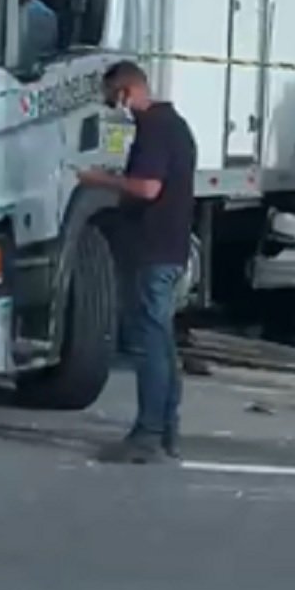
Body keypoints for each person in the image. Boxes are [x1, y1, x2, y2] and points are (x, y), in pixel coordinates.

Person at [77, 60, 196, 463]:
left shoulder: (154, 128)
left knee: (149, 345)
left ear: (127, 91)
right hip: (170, 246)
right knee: (160, 343)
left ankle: (148, 434)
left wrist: (100, 180)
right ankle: (166, 431)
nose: (118, 109)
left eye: (115, 99)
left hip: (152, 249)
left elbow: (147, 188)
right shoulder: (175, 125)